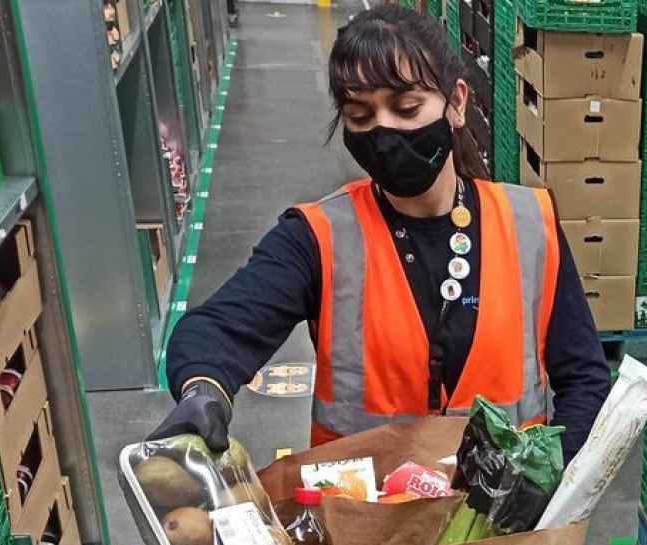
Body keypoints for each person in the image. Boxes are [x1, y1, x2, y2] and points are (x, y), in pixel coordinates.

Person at [151, 7, 611, 461]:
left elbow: (584, 377)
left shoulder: (529, 221)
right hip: (368, 522)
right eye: (360, 115)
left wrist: (550, 473)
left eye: (406, 108)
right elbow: (217, 330)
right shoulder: (320, 237)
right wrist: (203, 391)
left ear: (457, 102)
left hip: (506, 526)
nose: (384, 130)